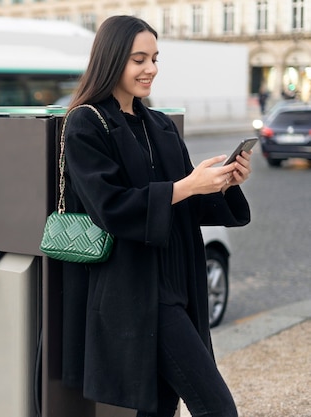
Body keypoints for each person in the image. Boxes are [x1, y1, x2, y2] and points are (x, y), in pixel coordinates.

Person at [60, 15, 252, 417]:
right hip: (139, 291)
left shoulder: (160, 124)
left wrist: (223, 182)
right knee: (217, 407)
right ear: (112, 61)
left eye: (155, 58)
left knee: (161, 408)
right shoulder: (86, 122)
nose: (151, 69)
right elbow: (110, 207)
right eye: (138, 60)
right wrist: (188, 185)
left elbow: (186, 204)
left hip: (181, 281)